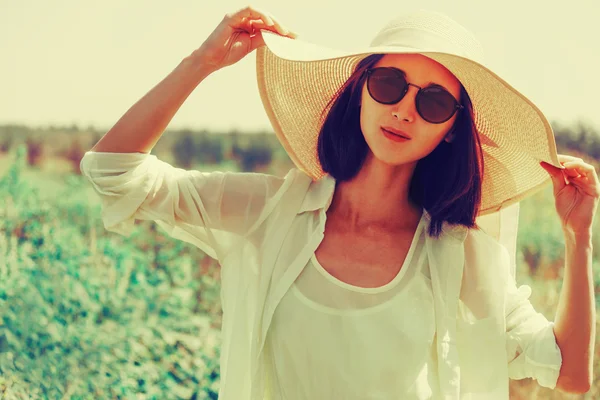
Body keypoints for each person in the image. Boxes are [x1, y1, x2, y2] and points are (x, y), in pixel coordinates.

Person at [80, 6, 598, 399]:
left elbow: (570, 370)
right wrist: (202, 62)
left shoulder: (463, 256)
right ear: (361, 92)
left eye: (434, 101)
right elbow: (114, 173)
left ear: (449, 131)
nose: (404, 110)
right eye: (389, 83)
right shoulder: (268, 211)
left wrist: (577, 239)